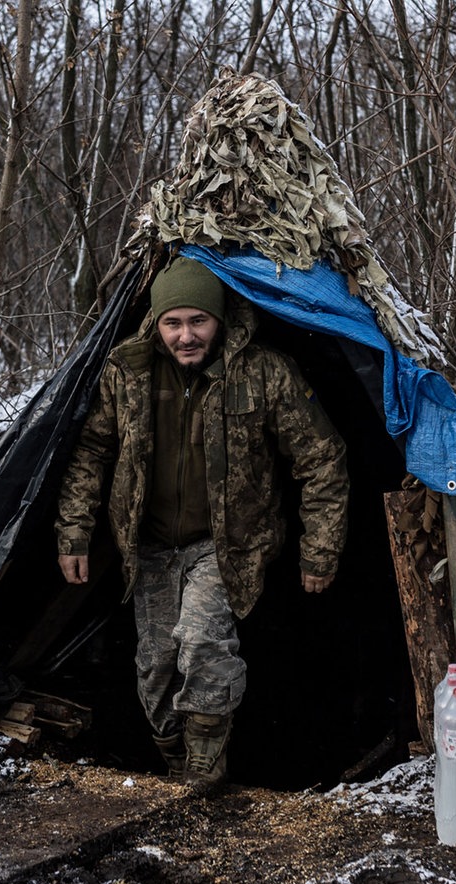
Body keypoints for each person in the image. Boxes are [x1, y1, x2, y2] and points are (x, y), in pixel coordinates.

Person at [56, 254, 349, 791]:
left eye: (198, 321)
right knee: (156, 663)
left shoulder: (263, 372)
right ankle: (174, 764)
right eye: (173, 322)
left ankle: (205, 770)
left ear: (220, 318)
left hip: (226, 546)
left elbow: (321, 457)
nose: (185, 335)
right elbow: (90, 451)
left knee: (202, 641)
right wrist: (74, 532)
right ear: (157, 321)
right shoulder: (128, 370)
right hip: (147, 547)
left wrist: (320, 550)